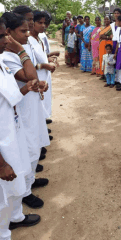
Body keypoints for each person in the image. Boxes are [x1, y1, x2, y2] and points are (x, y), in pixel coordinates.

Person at [2, 12, 50, 209]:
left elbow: (34, 79)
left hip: (31, 106)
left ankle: (30, 182)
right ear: (9, 33)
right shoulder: (7, 55)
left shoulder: (15, 52)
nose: (28, 34)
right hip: (21, 111)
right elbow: (30, 76)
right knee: (27, 149)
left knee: (35, 144)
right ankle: (26, 192)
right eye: (23, 31)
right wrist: (21, 50)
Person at [0, 18, 41, 240]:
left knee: (15, 184)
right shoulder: (7, 56)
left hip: (11, 131)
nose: (5, 40)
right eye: (2, 36)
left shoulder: (1, 62)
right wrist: (1, 163)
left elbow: (11, 96)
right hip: (3, 141)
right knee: (3, 195)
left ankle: (15, 218)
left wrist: (28, 88)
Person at [28, 11, 56, 121]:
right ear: (32, 23)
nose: (43, 25)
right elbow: (29, 64)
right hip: (37, 76)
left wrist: (48, 60)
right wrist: (44, 65)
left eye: (44, 23)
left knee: (45, 98)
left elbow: (42, 55)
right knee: (37, 101)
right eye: (40, 22)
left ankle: (44, 118)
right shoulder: (28, 40)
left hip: (45, 75)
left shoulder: (39, 38)